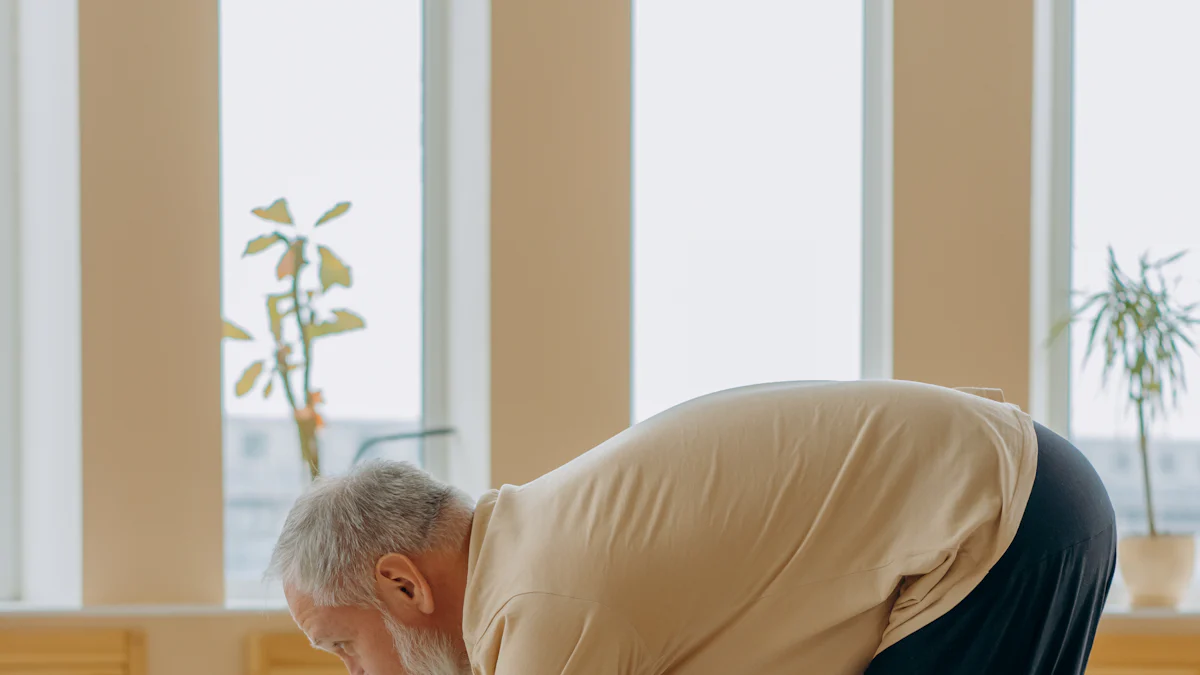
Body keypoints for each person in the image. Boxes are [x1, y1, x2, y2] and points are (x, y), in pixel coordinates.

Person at [270, 380, 1116, 675]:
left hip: (1004, 517)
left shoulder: (541, 603)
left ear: (402, 582)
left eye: (343, 645)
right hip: (1022, 497)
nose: (355, 671)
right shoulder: (530, 542)